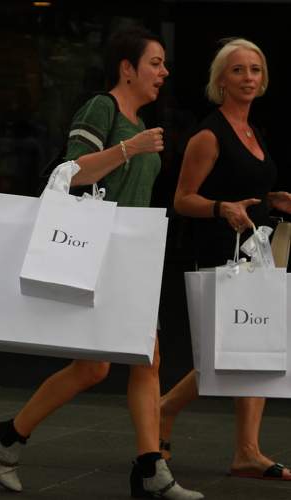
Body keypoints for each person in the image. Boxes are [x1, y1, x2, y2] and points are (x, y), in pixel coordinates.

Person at [0, 26, 204, 500]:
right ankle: (15, 438)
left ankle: (16, 439)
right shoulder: (103, 109)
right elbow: (73, 172)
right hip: (95, 251)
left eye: (163, 64)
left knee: (130, 361)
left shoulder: (140, 123)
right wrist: (128, 149)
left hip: (128, 257)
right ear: (127, 68)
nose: (163, 72)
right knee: (107, 366)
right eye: (155, 62)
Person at [160, 37, 291, 480]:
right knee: (228, 353)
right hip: (224, 254)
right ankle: (164, 408)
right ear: (221, 80)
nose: (248, 78)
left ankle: (247, 451)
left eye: (255, 69)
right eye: (238, 70)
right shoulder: (208, 134)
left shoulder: (253, 130)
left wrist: (274, 200)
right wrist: (221, 208)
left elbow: (243, 182)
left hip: (257, 252)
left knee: (255, 349)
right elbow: (183, 199)